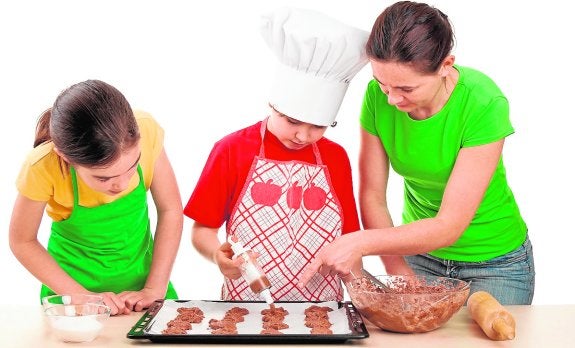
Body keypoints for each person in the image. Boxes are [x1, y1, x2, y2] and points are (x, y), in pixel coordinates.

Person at [299, 1, 535, 305]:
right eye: (382, 83)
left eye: (406, 89)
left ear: (445, 66)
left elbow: (449, 225)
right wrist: (399, 273)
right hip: (418, 255)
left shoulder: (483, 102)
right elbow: (373, 196)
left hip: (495, 263)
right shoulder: (378, 97)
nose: (393, 98)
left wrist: (357, 242)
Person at [184, 7, 368, 302]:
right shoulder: (231, 149)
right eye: (292, 121)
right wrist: (217, 257)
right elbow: (202, 229)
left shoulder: (336, 157)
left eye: (318, 126)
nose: (303, 136)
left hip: (322, 311)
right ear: (273, 104)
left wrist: (363, 300)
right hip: (246, 307)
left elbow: (350, 241)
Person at [9, 79, 182, 315]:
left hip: (147, 290)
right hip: (72, 299)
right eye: (103, 178)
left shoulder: (147, 130)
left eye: (132, 166)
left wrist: (154, 287)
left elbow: (171, 210)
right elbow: (22, 241)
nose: (121, 183)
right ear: (66, 157)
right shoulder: (43, 165)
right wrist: (79, 297)